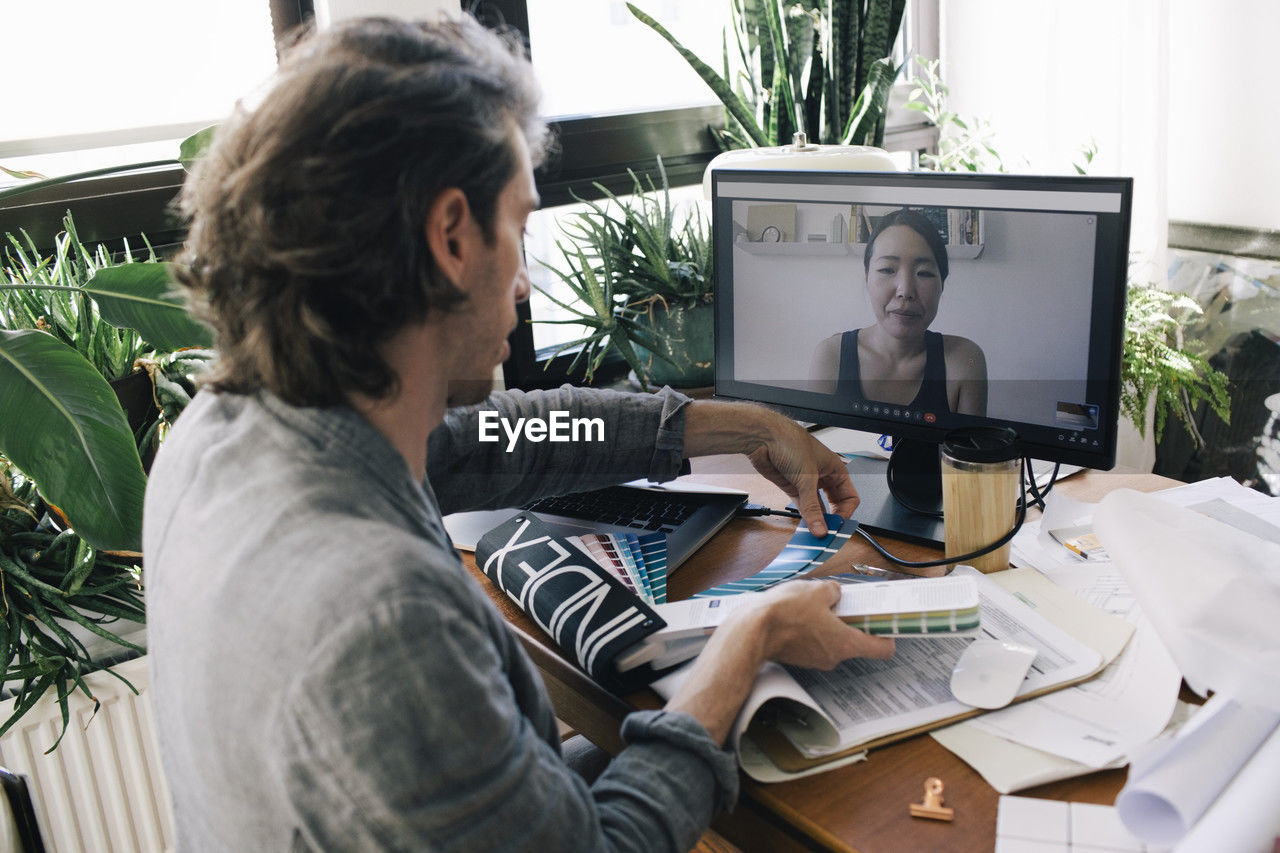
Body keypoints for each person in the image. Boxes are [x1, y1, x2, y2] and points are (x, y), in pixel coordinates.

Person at [144, 15, 896, 851]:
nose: (528, 282)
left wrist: (738, 425)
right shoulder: (383, 614)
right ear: (452, 236)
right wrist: (747, 637)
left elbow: (513, 436)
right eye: (521, 225)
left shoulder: (217, 433)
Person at [809, 208, 988, 416]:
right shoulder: (831, 356)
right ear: (867, 278)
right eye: (887, 270)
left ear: (942, 284)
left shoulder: (964, 360)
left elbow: (970, 448)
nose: (905, 291)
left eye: (924, 273)